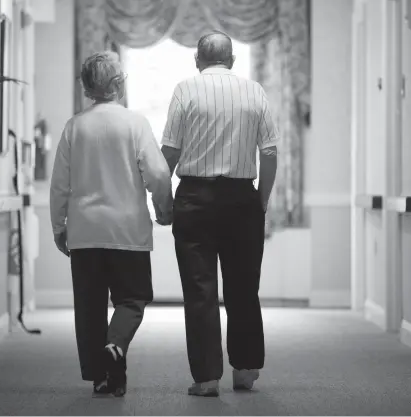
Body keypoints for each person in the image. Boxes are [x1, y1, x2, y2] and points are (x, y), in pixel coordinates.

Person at [159, 31, 279, 397]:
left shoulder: (185, 90)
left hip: (195, 198)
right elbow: (270, 153)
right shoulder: (254, 91)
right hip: (242, 198)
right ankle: (244, 371)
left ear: (197, 59)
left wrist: (163, 204)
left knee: (199, 291)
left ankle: (207, 378)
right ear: (232, 60)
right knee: (244, 288)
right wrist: (261, 199)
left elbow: (169, 154)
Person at [50, 51, 173, 397]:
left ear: (88, 87)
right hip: (127, 231)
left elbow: (60, 184)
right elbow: (159, 174)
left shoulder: (74, 127)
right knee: (133, 299)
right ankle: (116, 345)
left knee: (89, 307)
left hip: (85, 232)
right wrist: (164, 209)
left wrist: (59, 226)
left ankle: (102, 377)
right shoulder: (135, 124)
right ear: (118, 84)